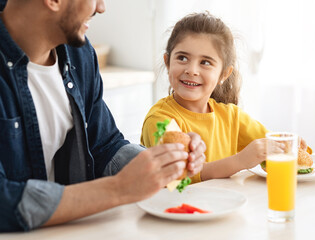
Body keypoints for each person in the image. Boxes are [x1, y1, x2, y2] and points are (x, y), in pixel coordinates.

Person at [0, 0, 206, 232]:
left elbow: (104, 145)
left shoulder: (79, 53)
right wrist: (118, 189)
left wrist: (162, 163)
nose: (101, 7)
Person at [141, 12, 308, 183]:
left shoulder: (232, 116)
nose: (191, 70)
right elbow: (180, 178)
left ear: (224, 74)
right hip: (176, 207)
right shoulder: (160, 119)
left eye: (205, 62)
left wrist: (291, 145)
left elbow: (274, 146)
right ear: (168, 63)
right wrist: (240, 161)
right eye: (182, 58)